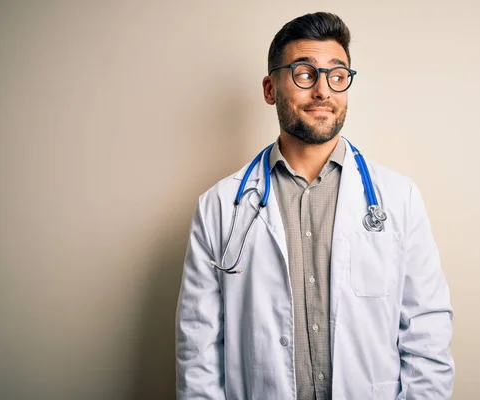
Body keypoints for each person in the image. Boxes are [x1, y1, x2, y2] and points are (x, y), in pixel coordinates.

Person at [176, 12, 454, 400]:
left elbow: (427, 334)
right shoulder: (219, 206)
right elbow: (198, 351)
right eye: (305, 74)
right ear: (270, 88)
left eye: (337, 76)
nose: (323, 90)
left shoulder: (399, 197)